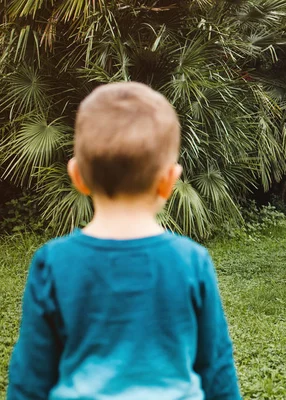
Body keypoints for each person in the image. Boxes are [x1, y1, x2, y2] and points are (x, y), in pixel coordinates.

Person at [7, 82, 241, 400]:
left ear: (77, 176)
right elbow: (217, 371)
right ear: (169, 182)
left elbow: (29, 379)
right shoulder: (192, 261)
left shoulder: (53, 262)